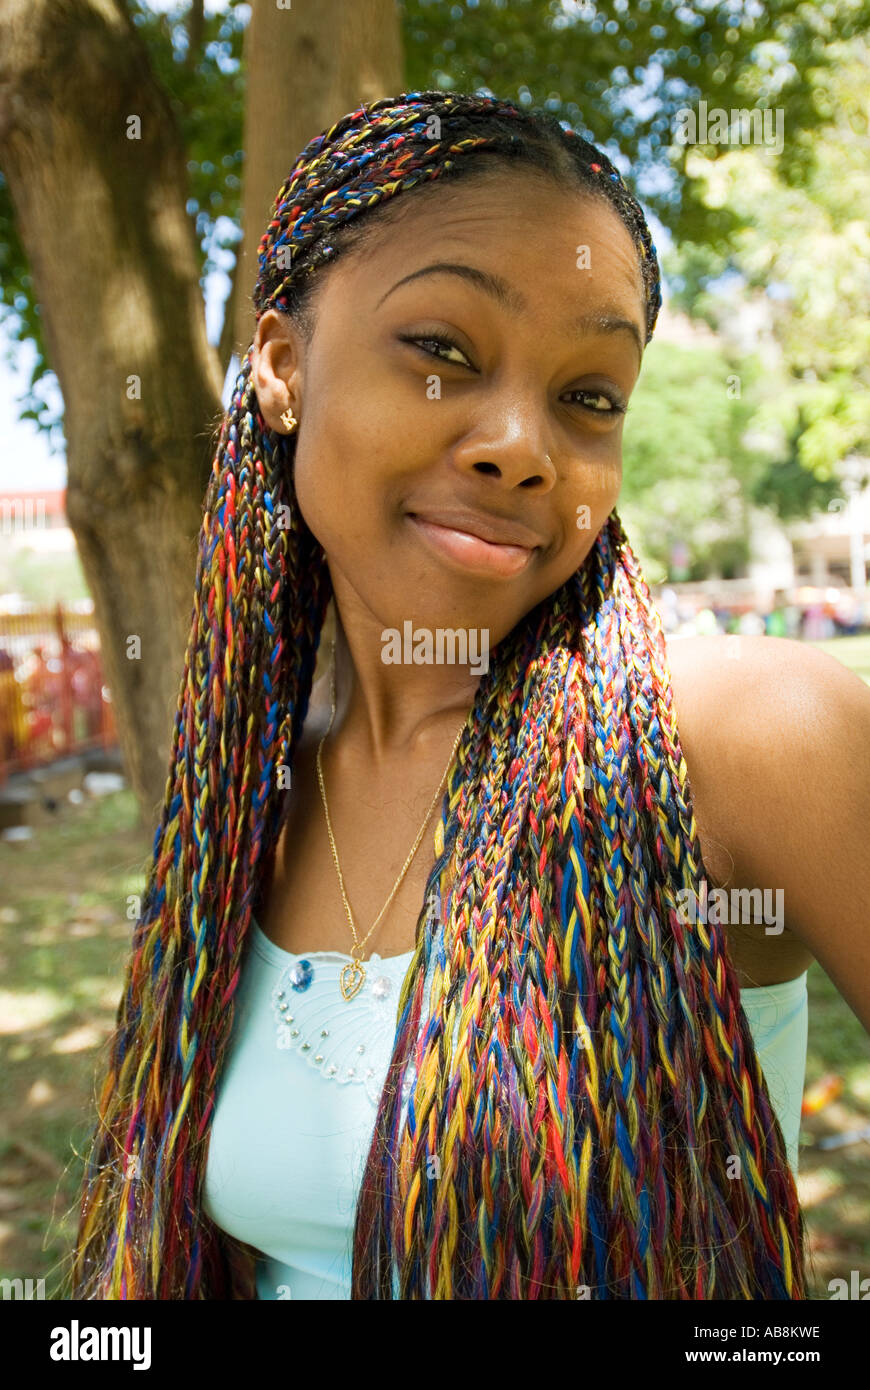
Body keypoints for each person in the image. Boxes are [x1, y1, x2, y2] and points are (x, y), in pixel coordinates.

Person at [70, 90, 870, 1301]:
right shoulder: (250, 790)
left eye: (588, 396)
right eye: (444, 352)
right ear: (282, 369)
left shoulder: (741, 734)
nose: (522, 444)